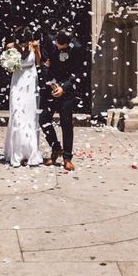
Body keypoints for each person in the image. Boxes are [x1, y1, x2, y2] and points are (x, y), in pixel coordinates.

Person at [40, 29, 85, 171]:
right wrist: (52, 84)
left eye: (61, 45)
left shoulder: (77, 48)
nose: (58, 47)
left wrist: (64, 88)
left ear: (69, 43)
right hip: (50, 88)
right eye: (57, 43)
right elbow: (44, 64)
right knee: (43, 119)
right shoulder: (49, 41)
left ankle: (67, 157)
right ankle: (56, 148)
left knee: (66, 123)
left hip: (67, 91)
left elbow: (77, 72)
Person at [3, 26, 43, 167]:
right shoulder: (10, 47)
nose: (24, 45)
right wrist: (9, 63)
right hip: (17, 81)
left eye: (26, 42)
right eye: (22, 43)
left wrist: (37, 49)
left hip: (31, 83)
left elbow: (39, 63)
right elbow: (8, 68)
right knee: (17, 115)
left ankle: (30, 152)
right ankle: (16, 153)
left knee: (31, 117)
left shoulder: (34, 45)